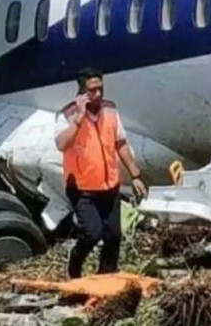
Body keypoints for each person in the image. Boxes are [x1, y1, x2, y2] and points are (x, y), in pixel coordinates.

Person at [55, 67, 148, 278]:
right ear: (81, 91)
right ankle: (74, 266)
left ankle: (107, 274)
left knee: (114, 235)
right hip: (82, 187)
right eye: (92, 90)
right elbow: (61, 144)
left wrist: (135, 175)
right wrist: (78, 119)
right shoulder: (67, 114)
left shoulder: (110, 111)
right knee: (92, 233)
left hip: (109, 185)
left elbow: (120, 143)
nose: (97, 94)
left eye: (100, 89)